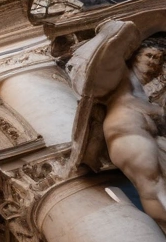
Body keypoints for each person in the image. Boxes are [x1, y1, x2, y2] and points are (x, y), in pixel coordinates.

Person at [68, 22, 166, 222]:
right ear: (134, 57)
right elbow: (108, 51)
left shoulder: (145, 95)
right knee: (152, 185)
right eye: (149, 55)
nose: (154, 62)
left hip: (146, 132)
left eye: (159, 59)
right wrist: (119, 31)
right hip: (126, 132)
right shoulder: (122, 77)